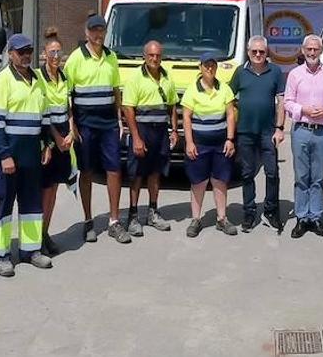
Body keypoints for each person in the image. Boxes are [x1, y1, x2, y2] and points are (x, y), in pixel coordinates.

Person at [0, 34, 53, 276]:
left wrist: (48, 144)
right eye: (20, 51)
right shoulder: (2, 80)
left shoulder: (37, 79)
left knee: (32, 206)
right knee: (4, 205)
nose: (25, 55)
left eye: (29, 51)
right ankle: (1, 255)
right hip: (9, 157)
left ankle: (30, 250)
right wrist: (4, 155)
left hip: (32, 157)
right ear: (10, 54)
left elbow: (44, 117)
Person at [64, 14, 129, 243]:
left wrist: (120, 119)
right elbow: (67, 96)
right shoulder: (75, 59)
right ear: (86, 33)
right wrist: (72, 126)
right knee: (87, 171)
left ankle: (114, 221)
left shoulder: (111, 57)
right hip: (85, 125)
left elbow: (116, 90)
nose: (98, 34)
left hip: (109, 124)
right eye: (94, 30)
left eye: (101, 30)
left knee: (115, 170)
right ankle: (88, 220)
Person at [284, 34, 323, 238]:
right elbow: (287, 101)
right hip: (300, 130)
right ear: (303, 50)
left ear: (321, 50)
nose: (312, 52)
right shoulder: (295, 74)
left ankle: (315, 217)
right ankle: (301, 218)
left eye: (316, 49)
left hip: (321, 132)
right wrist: (303, 109)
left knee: (318, 177)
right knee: (301, 177)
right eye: (309, 49)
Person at [230, 35, 287, 233]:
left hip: (268, 132)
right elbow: (229, 98)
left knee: (272, 173)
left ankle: (271, 211)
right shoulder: (240, 72)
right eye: (254, 51)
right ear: (248, 52)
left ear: (266, 53)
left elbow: (281, 102)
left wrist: (280, 128)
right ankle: (249, 212)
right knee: (247, 174)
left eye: (261, 51)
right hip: (245, 132)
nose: (257, 55)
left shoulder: (276, 72)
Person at [121, 39, 178, 235]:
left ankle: (153, 212)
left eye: (158, 55)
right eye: (151, 55)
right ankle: (133, 216)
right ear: (144, 56)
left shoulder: (166, 76)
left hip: (160, 132)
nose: (155, 59)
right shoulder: (135, 78)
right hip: (142, 130)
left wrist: (175, 131)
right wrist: (136, 138)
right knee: (137, 174)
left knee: (156, 172)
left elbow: (172, 105)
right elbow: (128, 108)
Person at [181, 53, 239, 237]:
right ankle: (196, 219)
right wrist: (189, 142)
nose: (210, 69)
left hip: (221, 143)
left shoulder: (224, 89)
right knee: (198, 181)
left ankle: (222, 219)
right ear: (200, 67)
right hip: (199, 144)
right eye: (206, 65)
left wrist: (230, 139)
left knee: (220, 180)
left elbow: (230, 114)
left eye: (213, 65)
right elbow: (186, 117)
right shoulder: (192, 90)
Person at [36, 28, 75, 255]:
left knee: (54, 190)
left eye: (59, 52)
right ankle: (36, 235)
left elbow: (68, 110)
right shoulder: (38, 77)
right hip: (48, 141)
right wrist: (57, 139)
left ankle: (45, 232)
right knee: (43, 189)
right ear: (44, 54)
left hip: (64, 140)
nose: (56, 56)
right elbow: (45, 114)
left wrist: (70, 133)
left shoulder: (64, 77)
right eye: (52, 52)